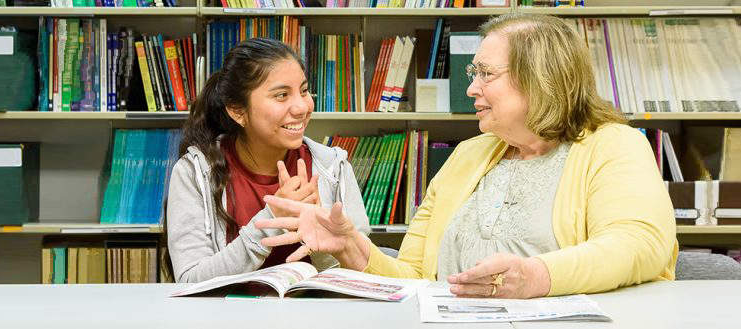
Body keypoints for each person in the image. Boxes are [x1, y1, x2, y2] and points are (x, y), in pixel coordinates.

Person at [254, 13, 678, 298]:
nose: (471, 88)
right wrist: (352, 248)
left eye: (486, 74)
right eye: (474, 73)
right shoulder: (468, 156)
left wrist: (535, 276)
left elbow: (638, 245)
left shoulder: (614, 144)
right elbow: (416, 276)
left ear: (541, 79)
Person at [166, 38, 372, 283]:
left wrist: (326, 242)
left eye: (304, 91)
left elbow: (363, 276)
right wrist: (271, 217)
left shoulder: (333, 168)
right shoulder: (195, 173)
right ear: (237, 111)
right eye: (282, 95)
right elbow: (190, 281)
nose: (302, 107)